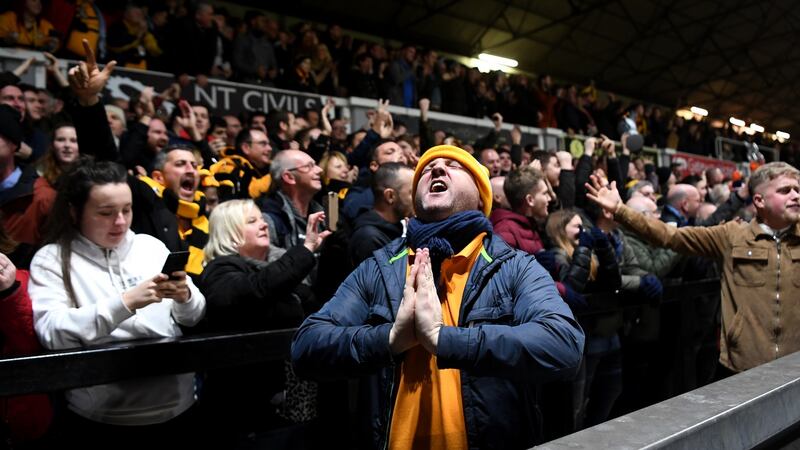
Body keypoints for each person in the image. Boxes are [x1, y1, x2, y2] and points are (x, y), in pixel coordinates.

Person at [292, 145, 584, 449]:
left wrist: (444, 340)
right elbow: (307, 345)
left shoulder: (513, 266)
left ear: (481, 194)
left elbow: (563, 344)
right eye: (428, 168)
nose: (437, 169)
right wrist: (391, 339)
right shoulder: (379, 267)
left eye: (454, 165)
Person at [29, 158, 205, 445]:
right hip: (103, 419)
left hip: (180, 407)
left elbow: (193, 317)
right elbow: (52, 333)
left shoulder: (150, 246)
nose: (121, 221)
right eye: (106, 212)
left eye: (127, 209)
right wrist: (123, 303)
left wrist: (186, 297)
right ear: (74, 212)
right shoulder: (53, 258)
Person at [585, 161, 800, 374]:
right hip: (745, 364)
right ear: (759, 200)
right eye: (785, 190)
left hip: (794, 363)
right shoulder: (732, 236)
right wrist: (620, 210)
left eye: (797, 190)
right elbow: (671, 236)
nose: (796, 195)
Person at [198, 200, 329, 447]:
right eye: (251, 221)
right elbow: (256, 290)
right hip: (243, 409)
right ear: (229, 232)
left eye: (261, 218)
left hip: (290, 405)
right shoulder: (220, 269)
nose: (264, 225)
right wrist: (306, 248)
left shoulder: (277, 267)